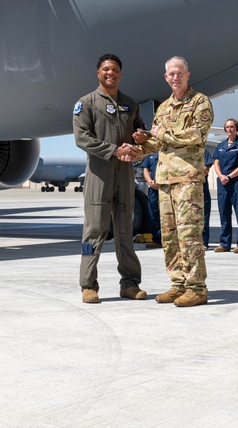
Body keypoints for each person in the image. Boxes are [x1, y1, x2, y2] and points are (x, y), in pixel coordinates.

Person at [131, 57, 214, 307]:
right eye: (171, 74)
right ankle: (178, 284)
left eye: (179, 73)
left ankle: (197, 287)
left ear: (187, 75)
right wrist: (138, 145)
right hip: (165, 179)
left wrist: (162, 134)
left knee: (189, 233)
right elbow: (157, 143)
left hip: (187, 178)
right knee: (169, 235)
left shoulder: (200, 102)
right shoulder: (164, 108)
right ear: (166, 77)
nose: (175, 77)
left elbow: (197, 135)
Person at [72, 54, 147, 304]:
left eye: (115, 69)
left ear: (120, 73)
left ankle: (129, 283)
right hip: (99, 175)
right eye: (106, 69)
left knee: (125, 231)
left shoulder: (129, 104)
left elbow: (140, 130)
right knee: (94, 231)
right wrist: (114, 150)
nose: (110, 73)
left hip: (124, 175)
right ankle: (88, 285)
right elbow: (82, 138)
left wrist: (140, 137)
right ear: (98, 73)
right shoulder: (87, 103)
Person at [212, 118, 238, 253]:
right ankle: (224, 243)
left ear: (236, 128)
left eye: (232, 127)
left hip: (236, 183)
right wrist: (221, 176)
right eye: (227, 127)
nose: (229, 129)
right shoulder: (220, 146)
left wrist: (230, 176)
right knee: (224, 214)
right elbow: (216, 162)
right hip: (222, 183)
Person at [140, 152, 162, 248]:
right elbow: (146, 169)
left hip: (167, 188)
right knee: (153, 213)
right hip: (153, 189)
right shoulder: (151, 156)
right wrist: (150, 182)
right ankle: (157, 240)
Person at [202, 150, 213, 249]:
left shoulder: (204, 152)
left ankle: (203, 242)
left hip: (201, 188)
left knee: (204, 217)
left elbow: (206, 169)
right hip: (185, 190)